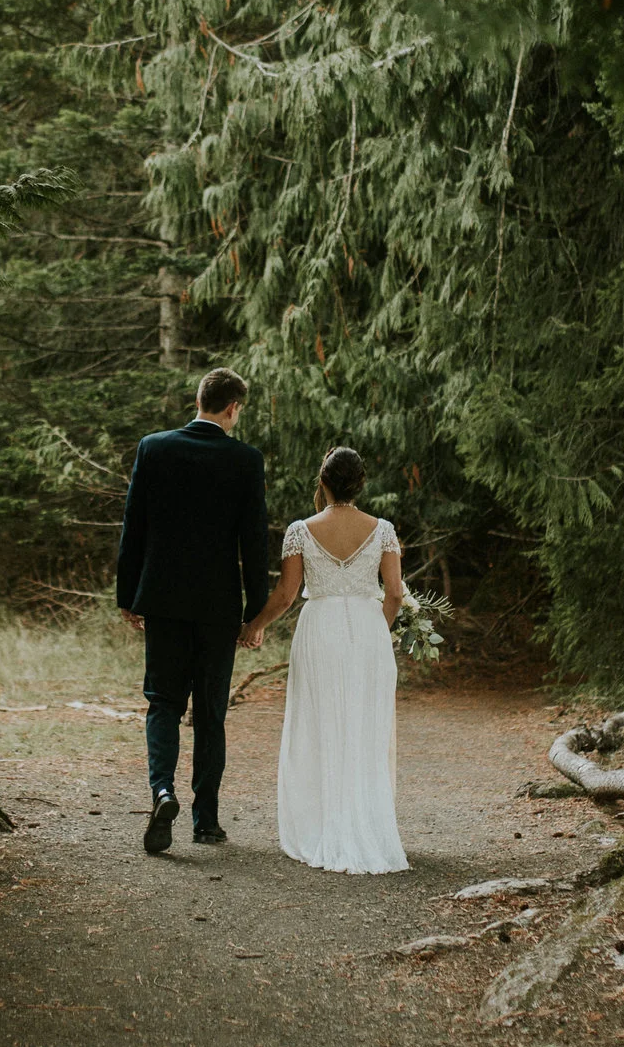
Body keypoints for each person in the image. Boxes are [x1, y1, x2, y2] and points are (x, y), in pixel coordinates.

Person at [114, 367, 271, 854]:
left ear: (199, 400)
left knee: (163, 703)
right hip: (217, 607)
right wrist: (255, 613)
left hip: (162, 601)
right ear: (233, 408)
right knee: (209, 712)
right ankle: (206, 821)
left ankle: (162, 792)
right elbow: (253, 542)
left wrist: (128, 595)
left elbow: (134, 526)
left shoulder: (153, 447)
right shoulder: (245, 460)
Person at [240, 446, 409, 875]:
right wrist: (376, 631)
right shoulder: (384, 530)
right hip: (368, 631)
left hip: (319, 629)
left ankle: (320, 825)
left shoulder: (300, 530)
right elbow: (394, 593)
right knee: (364, 724)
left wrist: (254, 625)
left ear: (323, 482)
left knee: (318, 724)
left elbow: (286, 595)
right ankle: (366, 824)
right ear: (361, 483)